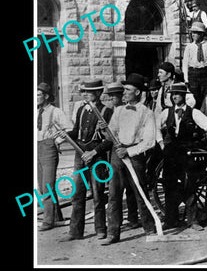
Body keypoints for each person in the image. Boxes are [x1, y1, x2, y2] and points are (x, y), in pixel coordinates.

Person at [101, 73, 157, 245]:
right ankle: (113, 234)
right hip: (117, 157)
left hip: (135, 157)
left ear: (138, 92)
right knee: (114, 195)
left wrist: (130, 151)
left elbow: (150, 141)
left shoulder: (147, 113)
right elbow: (111, 135)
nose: (124, 93)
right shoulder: (118, 111)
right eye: (124, 90)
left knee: (141, 194)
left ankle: (150, 229)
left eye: (128, 90)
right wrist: (104, 130)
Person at [156, 83, 207, 231]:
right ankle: (171, 220)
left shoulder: (194, 113)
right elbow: (155, 126)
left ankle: (193, 221)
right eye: (173, 95)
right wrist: (160, 142)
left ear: (184, 96)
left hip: (188, 153)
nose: (174, 97)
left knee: (190, 186)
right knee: (169, 185)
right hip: (171, 154)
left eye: (177, 94)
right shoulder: (167, 113)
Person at [59, 80, 113, 241]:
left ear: (98, 93)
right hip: (80, 156)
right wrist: (66, 135)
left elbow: (110, 140)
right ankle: (75, 232)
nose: (85, 95)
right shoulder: (81, 110)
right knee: (77, 194)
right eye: (84, 92)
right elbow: (76, 131)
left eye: (88, 92)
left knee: (98, 194)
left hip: (97, 157)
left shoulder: (107, 111)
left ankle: (100, 230)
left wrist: (94, 152)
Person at [103, 82, 140, 229]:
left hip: (128, 150)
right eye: (110, 96)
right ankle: (115, 226)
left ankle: (133, 218)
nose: (112, 99)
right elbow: (109, 136)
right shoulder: (112, 111)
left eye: (114, 96)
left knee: (131, 187)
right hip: (114, 152)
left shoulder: (127, 110)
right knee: (115, 190)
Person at [37, 82, 72, 231]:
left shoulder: (55, 111)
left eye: (38, 95)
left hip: (49, 148)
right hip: (37, 147)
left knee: (47, 185)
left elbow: (69, 127)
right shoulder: (37, 111)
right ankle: (56, 216)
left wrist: (57, 140)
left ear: (46, 96)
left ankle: (48, 220)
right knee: (41, 183)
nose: (36, 98)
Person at [182, 22, 207, 109]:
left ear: (202, 34)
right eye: (192, 32)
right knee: (193, 99)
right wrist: (186, 79)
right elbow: (185, 64)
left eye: (196, 33)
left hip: (205, 73)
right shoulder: (189, 47)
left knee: (205, 99)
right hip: (193, 74)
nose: (193, 35)